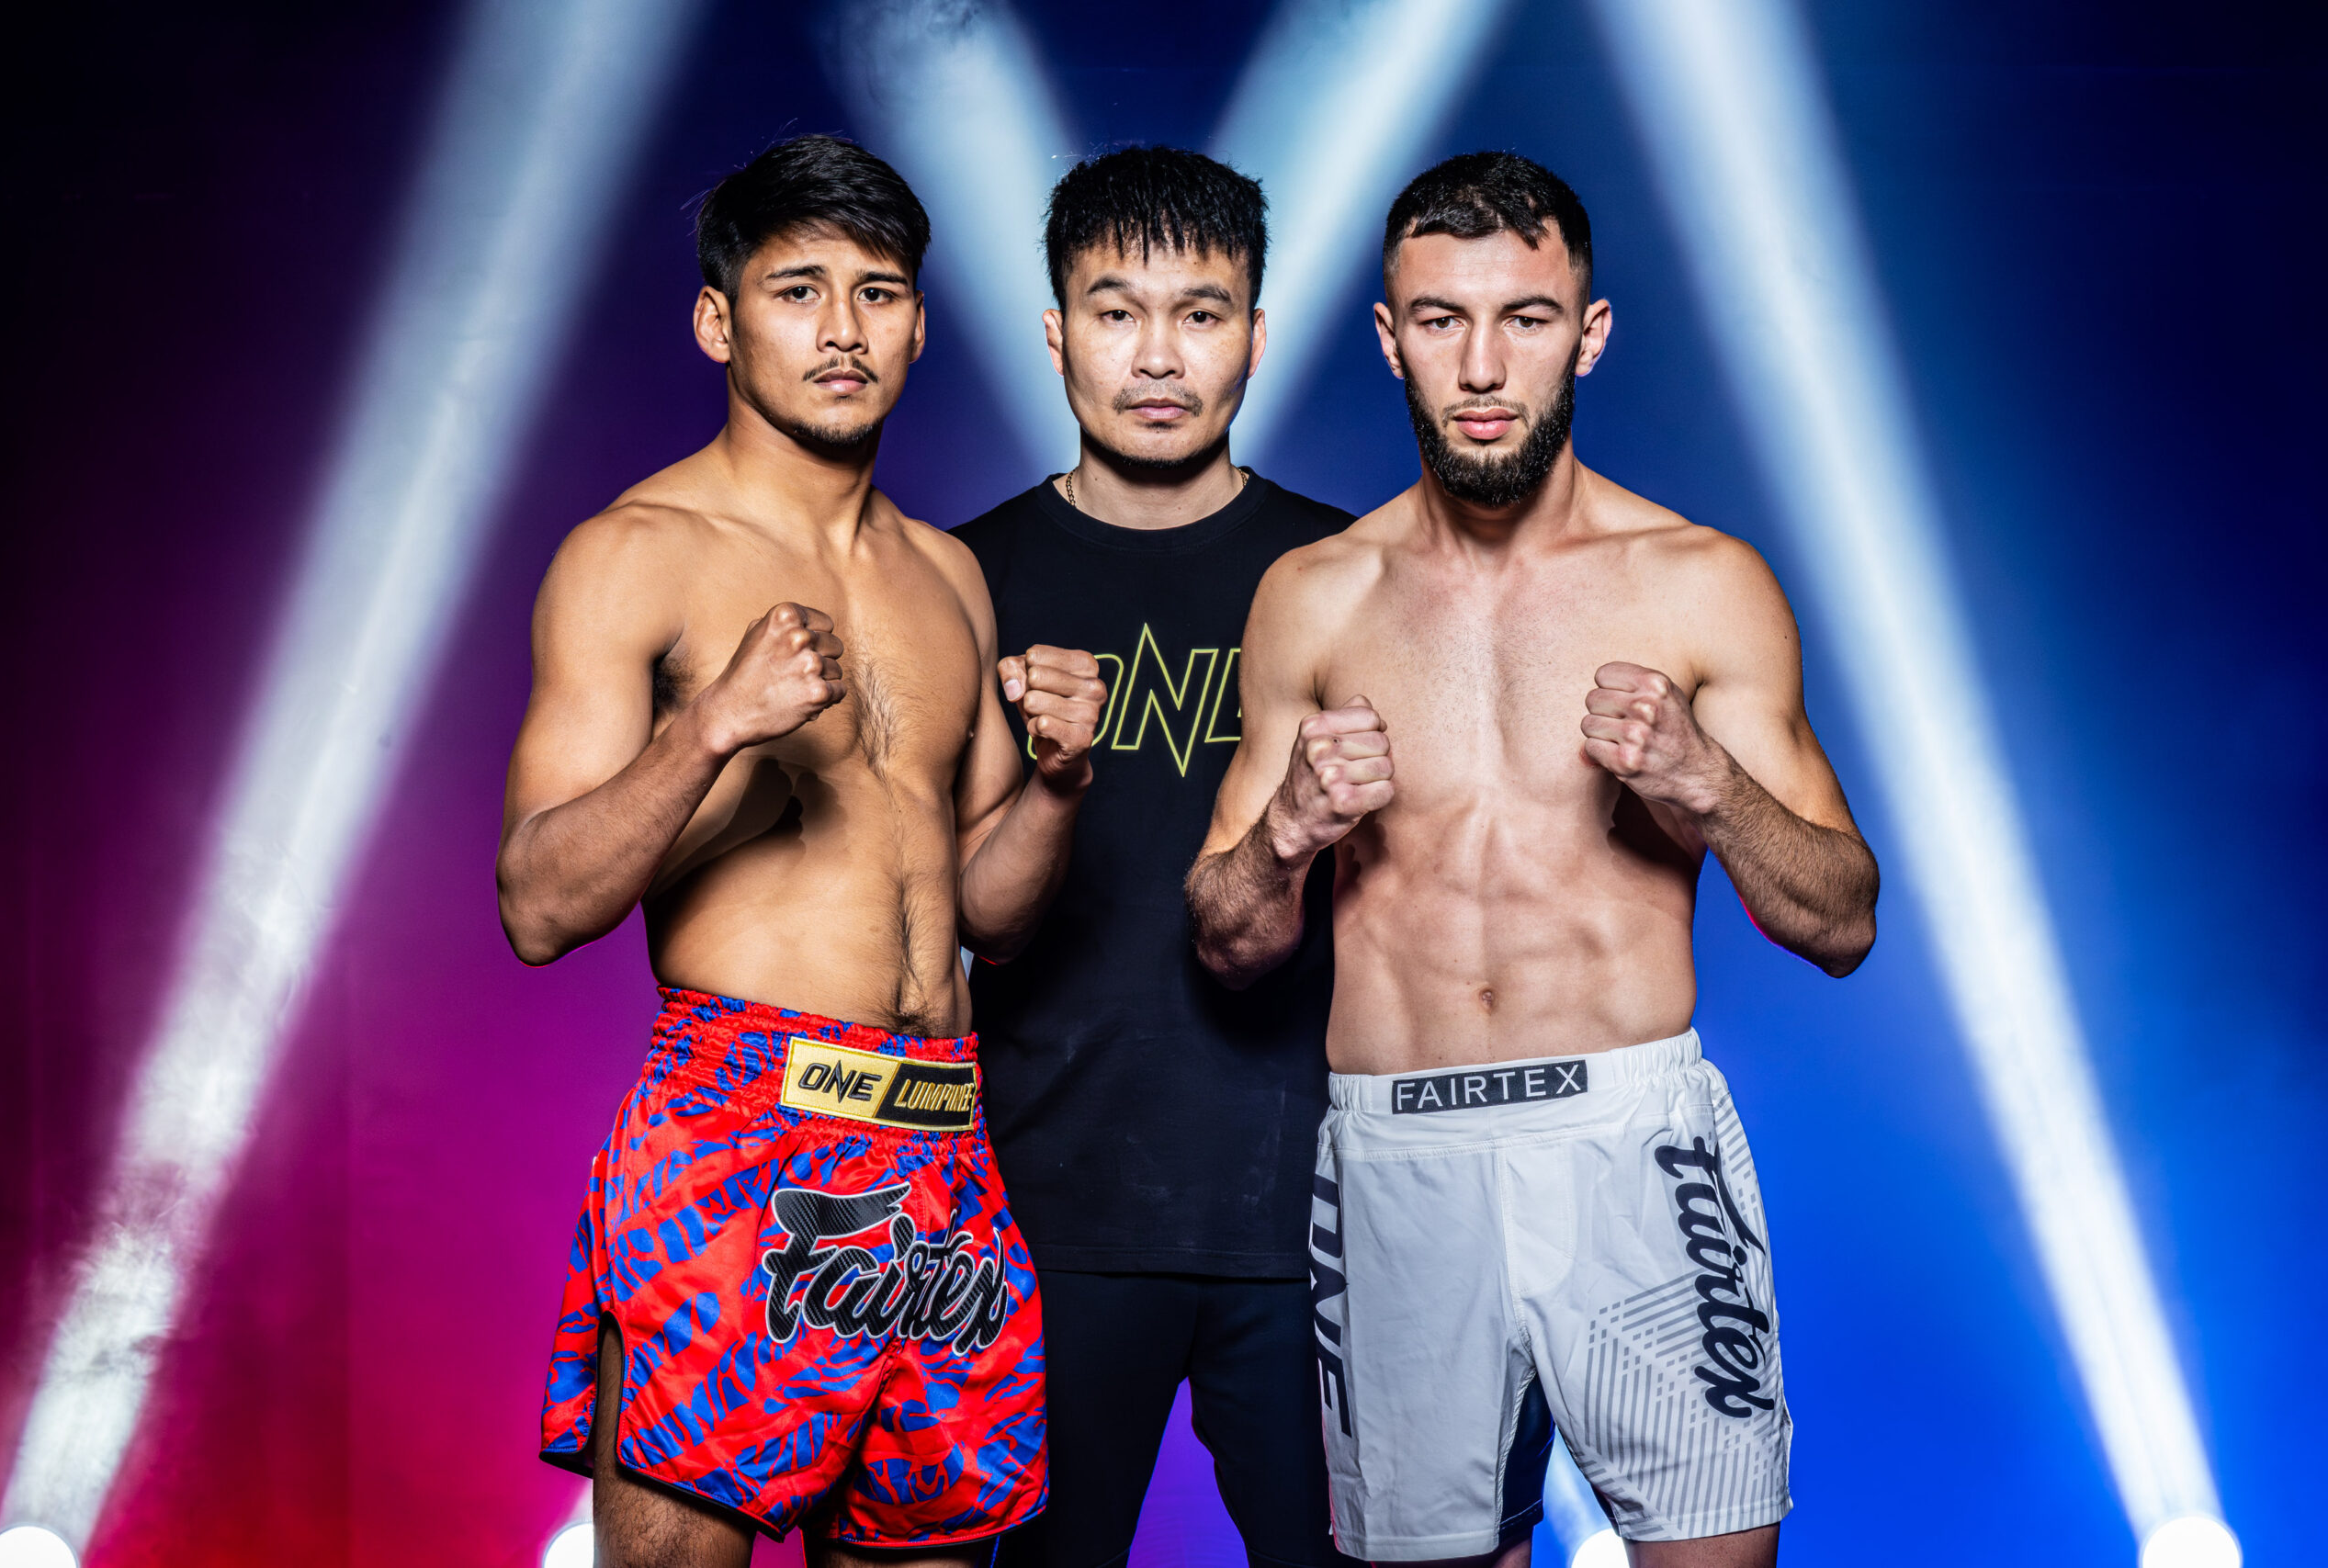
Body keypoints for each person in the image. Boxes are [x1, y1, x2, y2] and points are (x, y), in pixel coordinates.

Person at [1188, 152, 1879, 1568]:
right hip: (1398, 1155)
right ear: (1390, 339)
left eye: (1527, 318)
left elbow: (1840, 920)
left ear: (1590, 332)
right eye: (1442, 320)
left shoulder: (1700, 582)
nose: (1485, 365)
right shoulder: (1313, 597)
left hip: (1631, 1146)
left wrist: (1705, 783)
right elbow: (1226, 941)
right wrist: (1288, 832)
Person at [499, 135, 1108, 1568]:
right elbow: (537, 904)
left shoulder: (950, 573)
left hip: (942, 1146)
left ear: (918, 324)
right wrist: (714, 727)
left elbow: (992, 915)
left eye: (878, 294)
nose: (843, 330)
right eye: (798, 290)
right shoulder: (633, 553)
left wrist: (1062, 783)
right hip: (739, 1129)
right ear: (720, 321)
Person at [952, 146, 1355, 1568]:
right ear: (1057, 333)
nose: (1159, 356)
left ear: (1257, 333)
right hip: (1042, 1211)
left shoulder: (1349, 573)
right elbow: (954, 915)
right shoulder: (963, 579)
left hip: (1317, 1208)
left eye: (1201, 312)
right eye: (1117, 312)